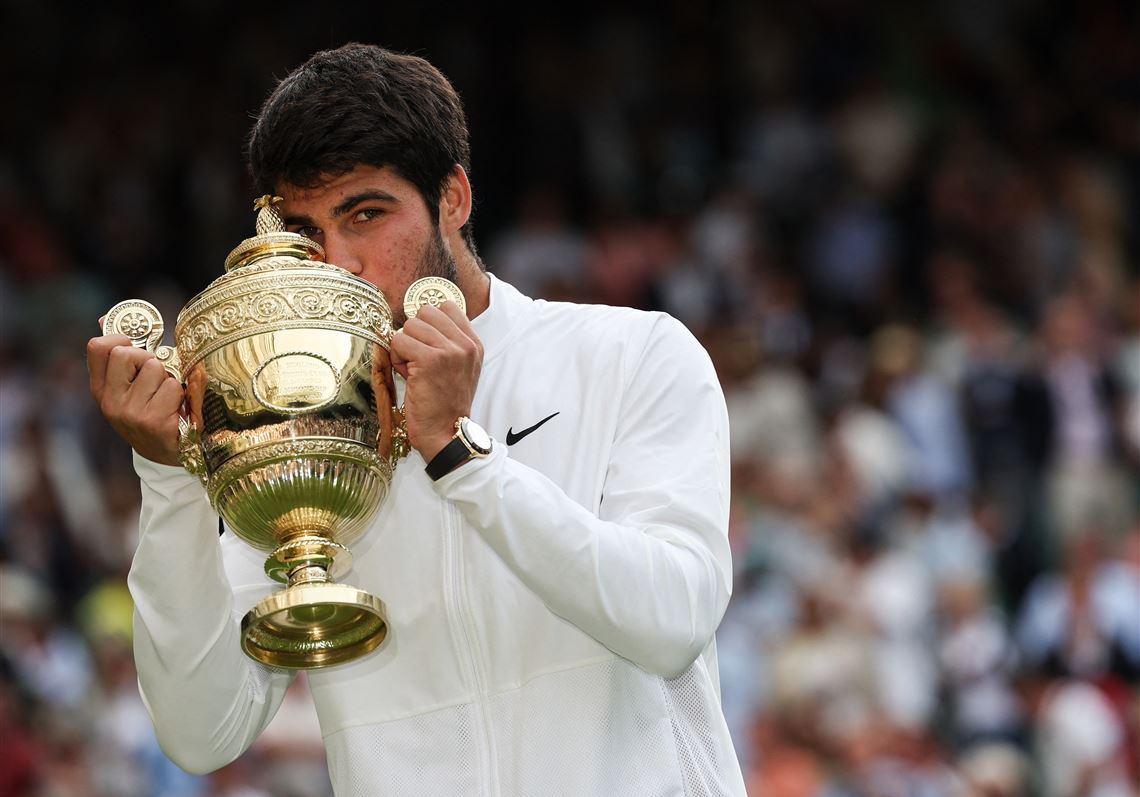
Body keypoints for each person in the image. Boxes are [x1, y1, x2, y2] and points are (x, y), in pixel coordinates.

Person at [86, 43, 745, 796]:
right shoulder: (297, 433)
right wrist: (169, 479)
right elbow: (200, 732)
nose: (340, 263)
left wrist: (459, 458)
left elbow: (673, 619)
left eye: (366, 214)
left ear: (454, 198)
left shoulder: (632, 353)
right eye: (307, 235)